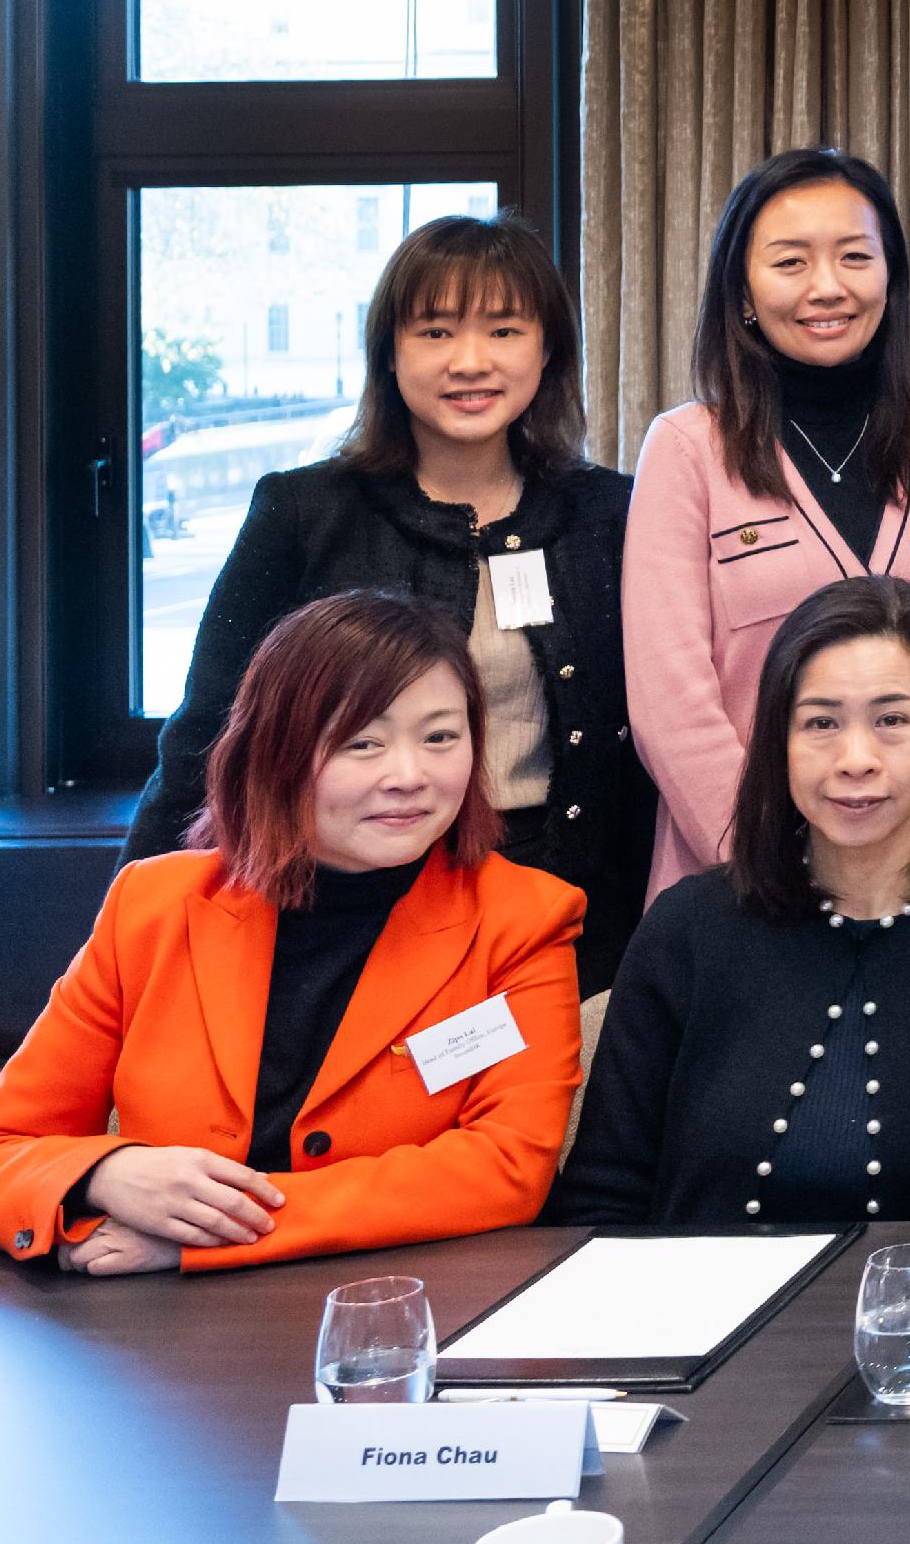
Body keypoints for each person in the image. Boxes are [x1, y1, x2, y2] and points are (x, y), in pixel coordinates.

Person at [0, 592, 585, 1271]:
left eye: (441, 738)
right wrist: (105, 1173)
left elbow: (507, 1166)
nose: (410, 776)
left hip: (407, 1299)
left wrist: (207, 1233)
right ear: (275, 753)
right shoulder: (154, 906)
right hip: (163, 1325)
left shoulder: (523, 920)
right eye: (362, 743)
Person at [117, 215, 656, 989]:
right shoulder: (304, 513)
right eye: (436, 331)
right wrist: (137, 941)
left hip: (567, 913)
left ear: (547, 350)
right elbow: (208, 733)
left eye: (504, 330)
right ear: (389, 353)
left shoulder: (612, 513)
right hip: (348, 911)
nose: (470, 361)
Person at [553, 577, 910, 1225]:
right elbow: (601, 1202)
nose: (856, 759)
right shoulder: (687, 928)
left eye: (891, 720)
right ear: (780, 737)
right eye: (821, 722)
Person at [624, 148, 910, 905]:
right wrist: (776, 863)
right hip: (742, 884)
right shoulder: (687, 447)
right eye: (790, 261)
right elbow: (670, 706)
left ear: (891, 275)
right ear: (743, 290)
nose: (827, 286)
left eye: (855, 257)